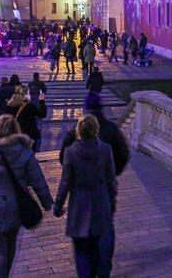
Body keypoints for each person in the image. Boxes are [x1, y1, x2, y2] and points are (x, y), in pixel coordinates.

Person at [0, 114, 54, 278]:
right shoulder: (25, 152)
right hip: (13, 209)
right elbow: (38, 181)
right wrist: (47, 203)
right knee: (10, 247)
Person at [55, 114, 117, 278]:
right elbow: (111, 179)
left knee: (82, 252)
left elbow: (65, 182)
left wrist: (58, 205)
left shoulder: (71, 152)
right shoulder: (105, 149)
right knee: (100, 246)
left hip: (79, 207)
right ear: (96, 129)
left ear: (79, 131)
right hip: (101, 203)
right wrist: (112, 200)